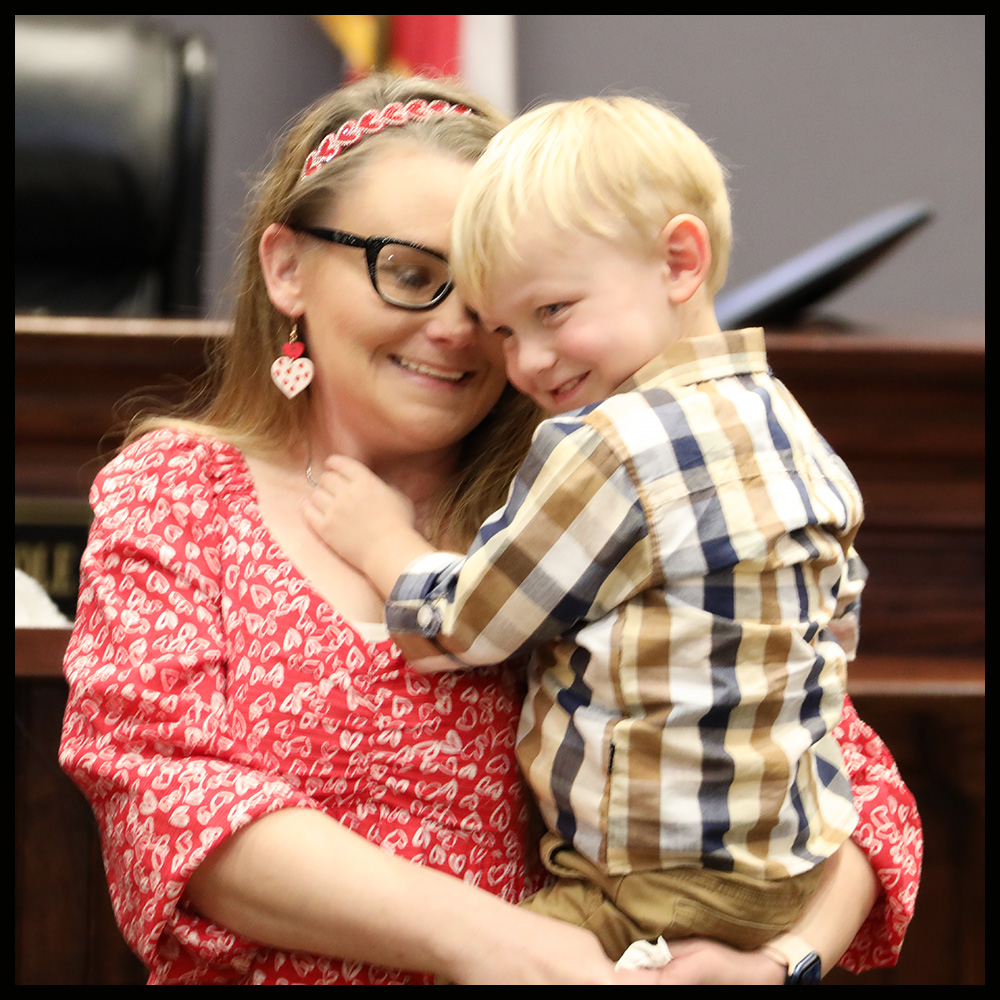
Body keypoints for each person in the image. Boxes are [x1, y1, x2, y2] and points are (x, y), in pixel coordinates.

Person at [58, 75, 920, 985]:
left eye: (489, 302)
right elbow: (166, 793)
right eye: (412, 274)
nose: (459, 334)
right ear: (287, 268)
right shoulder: (180, 490)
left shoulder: (601, 485)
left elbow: (846, 777)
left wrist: (783, 965)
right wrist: (492, 941)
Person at [306, 95, 900, 971]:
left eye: (554, 311)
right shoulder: (789, 425)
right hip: (788, 870)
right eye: (505, 330)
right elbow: (835, 627)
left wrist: (382, 540)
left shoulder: (611, 448)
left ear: (679, 261)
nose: (528, 362)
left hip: (643, 883)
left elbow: (466, 627)